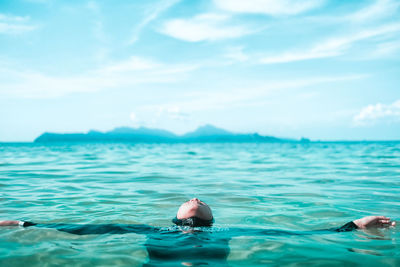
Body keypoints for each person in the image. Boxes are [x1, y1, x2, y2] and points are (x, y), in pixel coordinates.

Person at [0, 198, 396, 266]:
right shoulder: (147, 229)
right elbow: (86, 230)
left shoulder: (229, 229)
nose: (193, 196)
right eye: (188, 197)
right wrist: (20, 223)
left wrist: (354, 225)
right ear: (176, 218)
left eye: (199, 198)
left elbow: (298, 236)